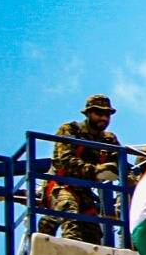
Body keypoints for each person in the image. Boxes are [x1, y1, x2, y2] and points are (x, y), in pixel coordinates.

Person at [38, 94, 123, 244]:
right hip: (61, 184)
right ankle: (49, 229)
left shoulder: (109, 140)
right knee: (70, 214)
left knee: (93, 234)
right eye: (99, 113)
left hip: (84, 191)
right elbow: (66, 160)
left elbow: (121, 165)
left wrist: (126, 178)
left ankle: (50, 222)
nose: (104, 118)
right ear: (88, 113)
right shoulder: (70, 130)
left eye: (107, 115)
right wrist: (96, 171)